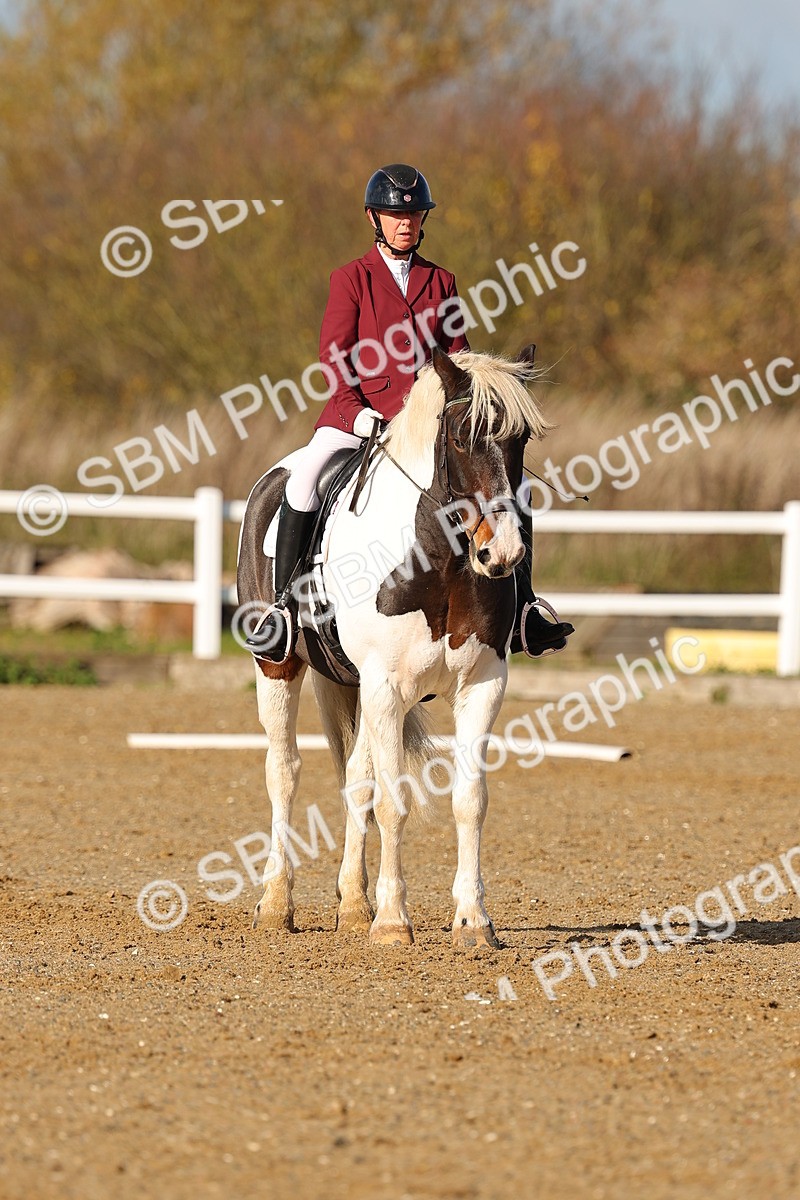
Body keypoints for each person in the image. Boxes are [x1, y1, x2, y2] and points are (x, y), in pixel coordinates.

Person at [249, 163, 573, 663]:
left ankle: (524, 609)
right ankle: (282, 612)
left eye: (414, 215)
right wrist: (356, 414)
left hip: (429, 429)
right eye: (396, 215)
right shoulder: (351, 279)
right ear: (374, 218)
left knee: (509, 488)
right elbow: (334, 359)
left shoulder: (440, 280)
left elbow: (459, 357)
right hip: (359, 419)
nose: (406, 223)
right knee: (303, 481)